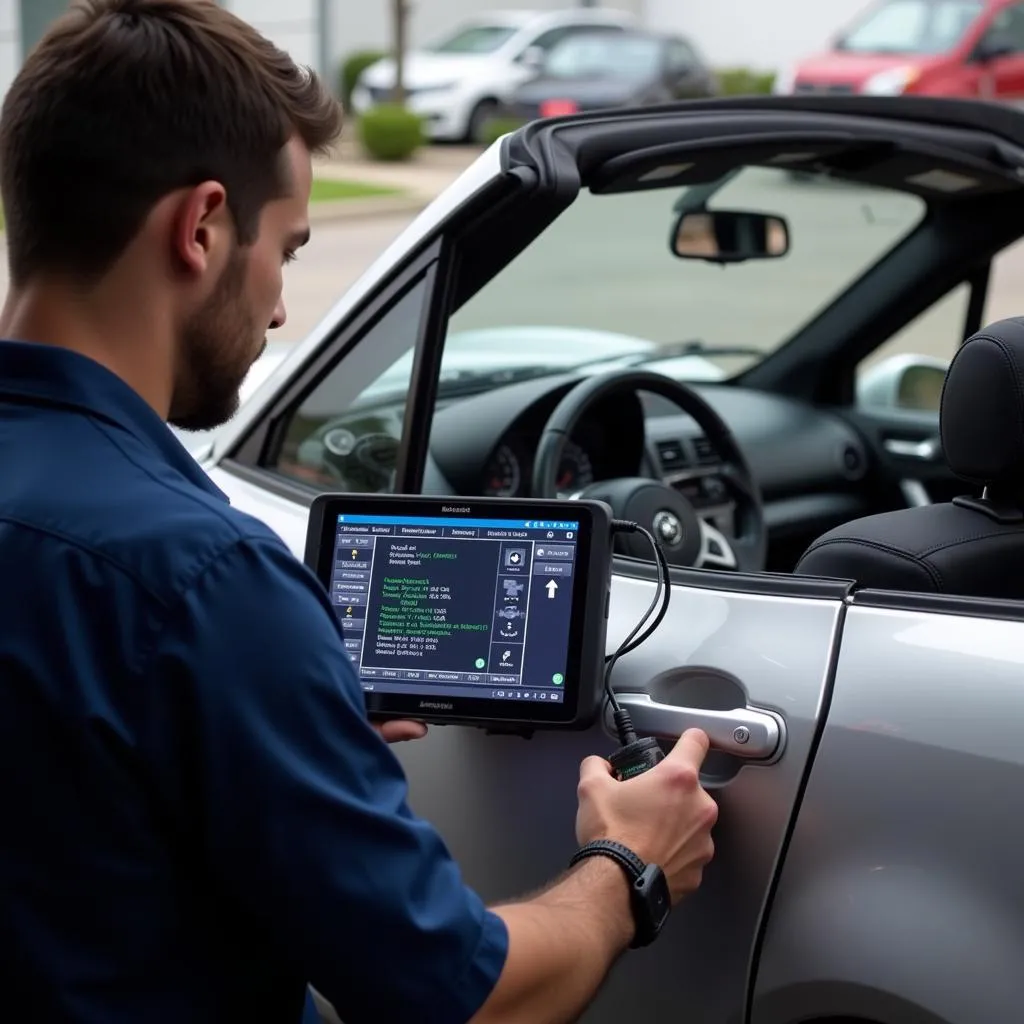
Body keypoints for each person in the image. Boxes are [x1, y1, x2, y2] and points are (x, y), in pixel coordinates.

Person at [0, 2, 719, 1023]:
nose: (283, 308)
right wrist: (628, 868)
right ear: (200, 227)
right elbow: (457, 1000)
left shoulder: (197, 605)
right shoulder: (206, 581)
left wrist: (273, 720)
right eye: (287, 250)